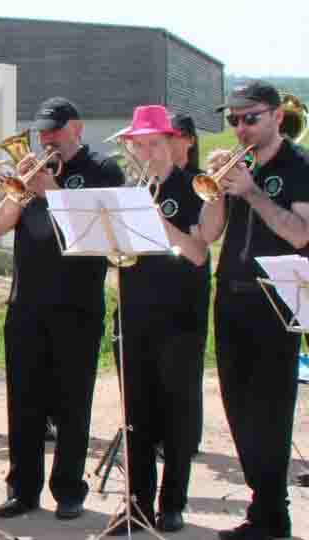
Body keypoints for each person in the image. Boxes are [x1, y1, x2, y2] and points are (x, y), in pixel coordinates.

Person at [0, 97, 124, 520]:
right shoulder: (32, 173)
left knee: (72, 402)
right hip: (26, 302)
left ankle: (69, 490)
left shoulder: (103, 170)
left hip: (77, 304)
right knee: (24, 400)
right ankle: (23, 489)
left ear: (77, 128)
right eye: (42, 131)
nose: (46, 139)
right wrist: (19, 190)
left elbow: (98, 234)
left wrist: (53, 192)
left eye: (54, 131)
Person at [197, 81, 309, 540]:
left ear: (277, 117)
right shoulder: (236, 166)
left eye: (250, 118)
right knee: (237, 405)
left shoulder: (297, 166)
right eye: (233, 121)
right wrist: (218, 192)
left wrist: (253, 193)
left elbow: (300, 233)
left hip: (274, 296)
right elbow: (210, 233)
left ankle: (273, 514)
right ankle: (261, 506)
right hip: (230, 292)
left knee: (271, 408)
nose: (240, 128)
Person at [105, 106, 209, 534]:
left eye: (154, 143)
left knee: (177, 415)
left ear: (171, 143)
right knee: (137, 414)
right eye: (139, 145)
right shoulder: (129, 190)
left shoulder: (194, 188)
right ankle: (137, 503)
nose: (146, 152)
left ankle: (172, 503)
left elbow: (199, 254)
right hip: (135, 311)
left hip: (181, 315)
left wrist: (159, 223)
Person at [169, 112, 208, 457]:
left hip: (189, 281)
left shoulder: (198, 180)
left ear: (190, 139)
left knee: (186, 366)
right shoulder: (159, 179)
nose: (168, 140)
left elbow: (205, 240)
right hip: (156, 281)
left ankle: (186, 437)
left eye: (174, 134)